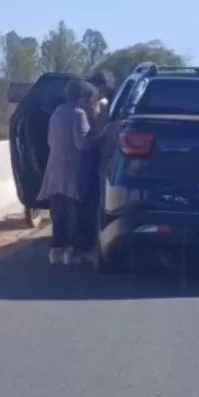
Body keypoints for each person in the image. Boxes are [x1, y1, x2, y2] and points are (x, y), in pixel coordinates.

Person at [36, 77, 101, 265]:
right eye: (89, 99)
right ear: (82, 97)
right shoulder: (78, 114)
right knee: (75, 214)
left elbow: (50, 141)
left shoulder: (56, 112)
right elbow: (82, 143)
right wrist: (102, 135)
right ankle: (72, 253)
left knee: (58, 214)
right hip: (72, 171)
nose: (89, 103)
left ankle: (56, 250)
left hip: (54, 170)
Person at [77, 71, 116, 261]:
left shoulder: (98, 105)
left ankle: (85, 241)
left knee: (89, 199)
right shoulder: (96, 106)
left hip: (94, 158)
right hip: (94, 157)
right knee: (89, 200)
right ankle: (86, 242)